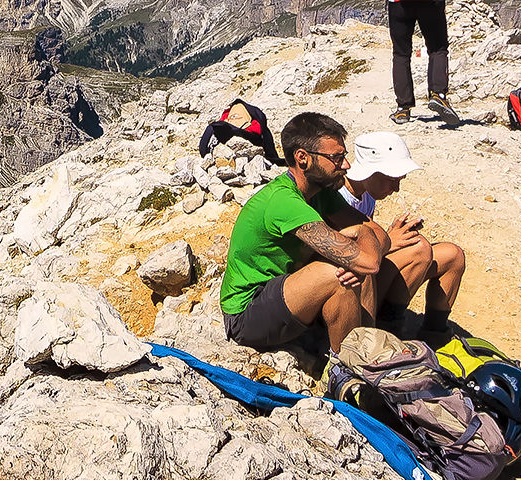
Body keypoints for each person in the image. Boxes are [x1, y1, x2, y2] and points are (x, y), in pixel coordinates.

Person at [220, 110, 388, 354]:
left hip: (286, 292)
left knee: (352, 266)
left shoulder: (322, 193)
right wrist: (363, 233)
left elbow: (379, 238)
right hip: (246, 312)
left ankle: (369, 353)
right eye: (337, 158)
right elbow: (371, 260)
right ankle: (348, 370)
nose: (346, 165)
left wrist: (363, 236)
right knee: (339, 273)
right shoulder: (285, 202)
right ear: (303, 158)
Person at [335, 130, 467, 337]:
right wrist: (387, 242)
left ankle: (436, 334)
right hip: (348, 284)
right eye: (391, 180)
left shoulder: (366, 195)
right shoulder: (337, 196)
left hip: (369, 267)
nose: (396, 188)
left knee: (452, 255)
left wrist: (389, 239)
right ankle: (389, 331)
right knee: (420, 249)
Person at [197, 98, 281, 164]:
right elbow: (260, 127)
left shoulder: (223, 119)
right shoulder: (254, 115)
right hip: (246, 132)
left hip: (229, 131)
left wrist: (205, 154)